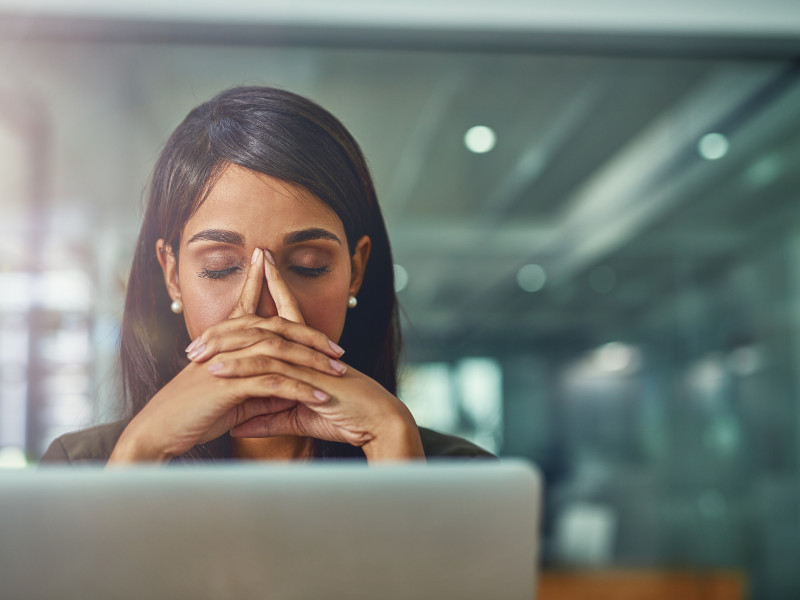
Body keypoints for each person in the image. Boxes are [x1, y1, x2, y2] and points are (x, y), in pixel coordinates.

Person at [41, 86, 492, 464]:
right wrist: (142, 451)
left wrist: (392, 441)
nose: (265, 307)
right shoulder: (85, 465)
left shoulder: (457, 472)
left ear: (355, 271)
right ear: (173, 275)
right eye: (220, 268)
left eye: (307, 266)